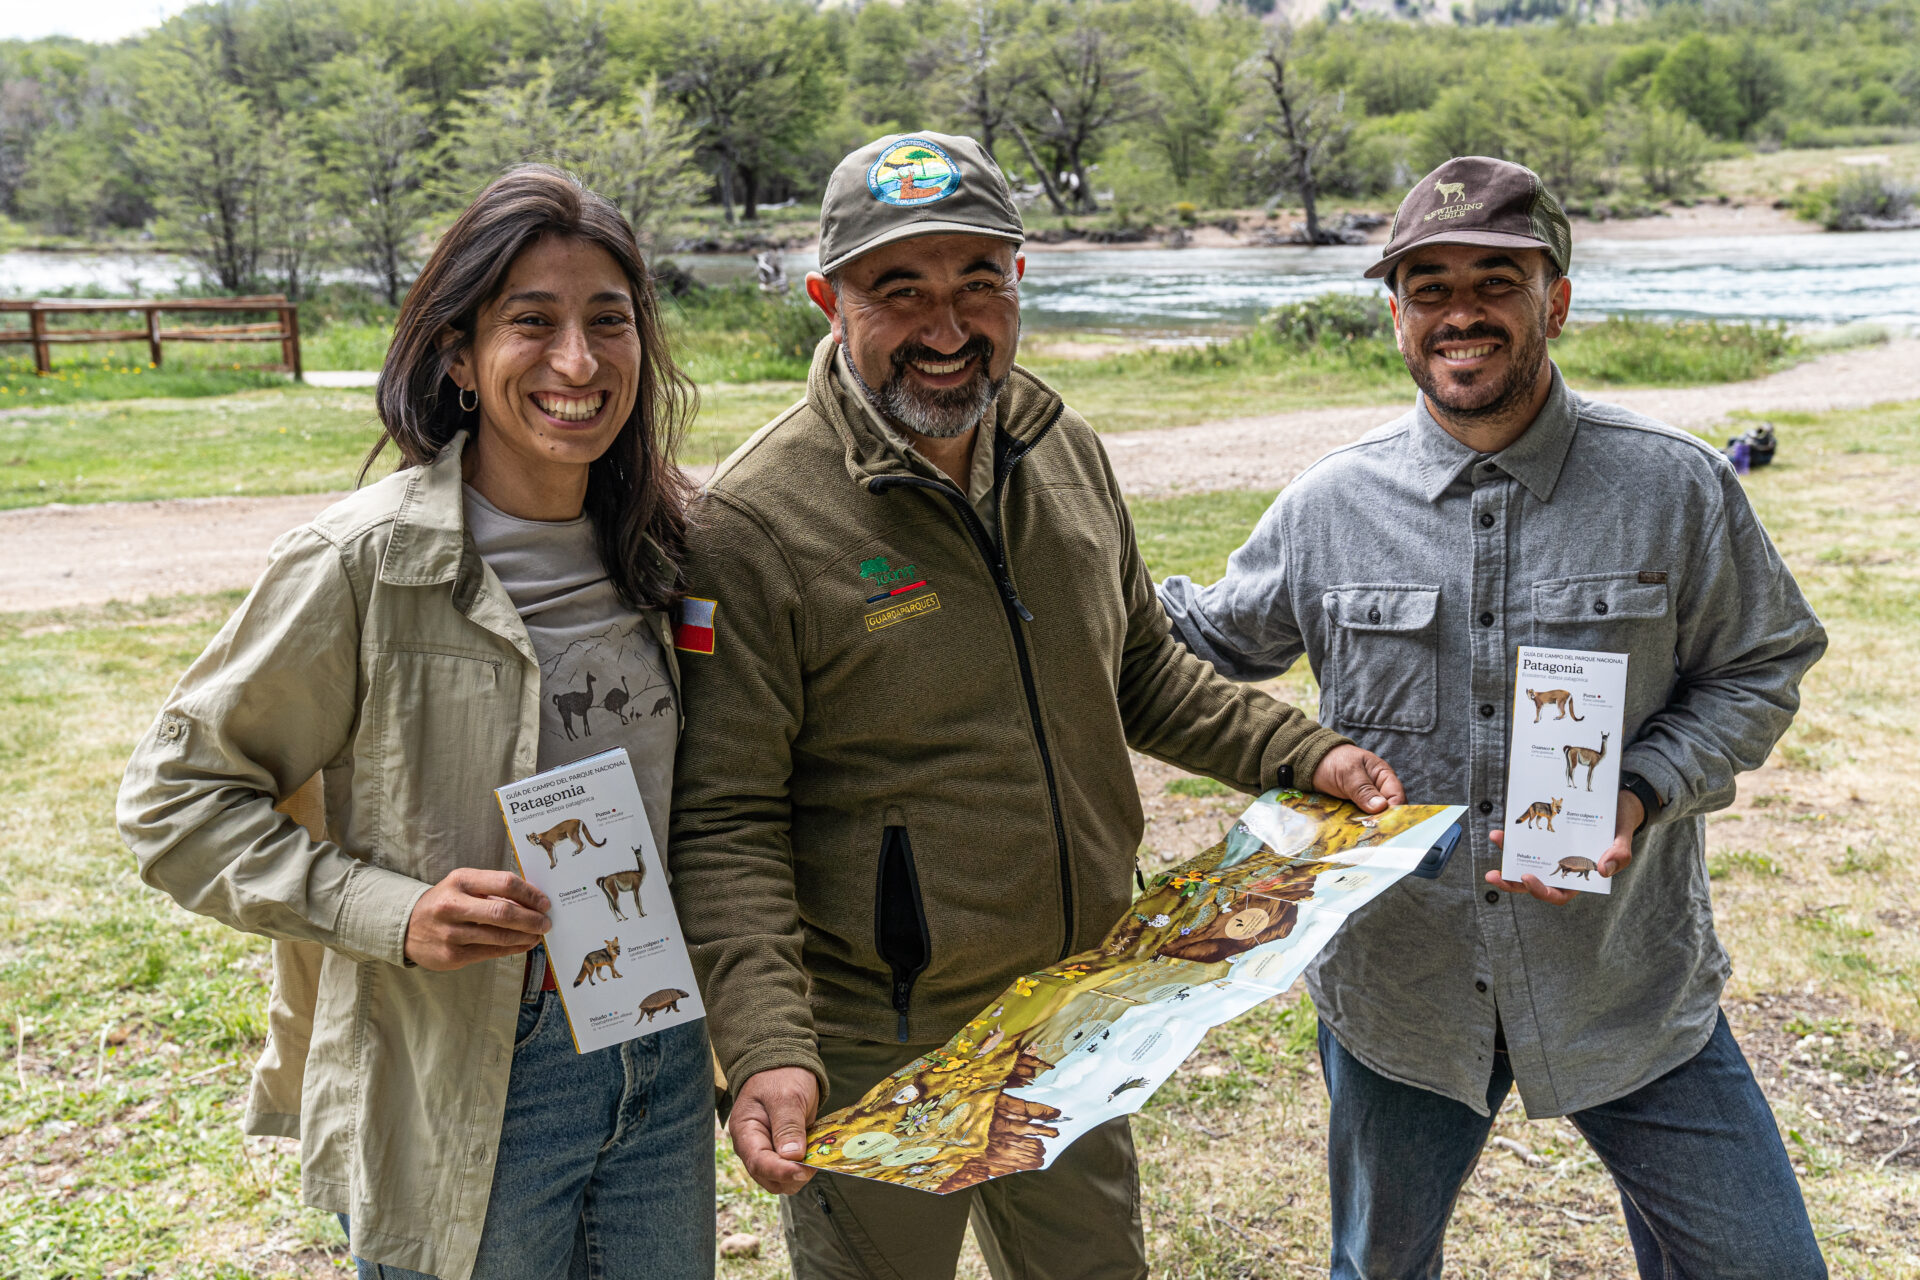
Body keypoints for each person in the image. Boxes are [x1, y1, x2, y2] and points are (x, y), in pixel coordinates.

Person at [667, 130, 1405, 1280]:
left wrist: (1305, 753)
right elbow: (723, 820)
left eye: (977, 280)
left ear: (1021, 281)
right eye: (897, 287)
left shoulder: (1062, 446)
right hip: (883, 1040)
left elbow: (1141, 667)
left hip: (1078, 1002)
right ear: (827, 298)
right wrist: (762, 1038)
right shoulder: (755, 524)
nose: (946, 325)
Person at [1158, 155, 1830, 1279]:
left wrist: (1643, 786)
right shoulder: (1329, 504)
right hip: (1402, 996)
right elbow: (1190, 648)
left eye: (1494, 279)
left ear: (1554, 297)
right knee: (1378, 1266)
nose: (1460, 311)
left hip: (1626, 983)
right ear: (1397, 315)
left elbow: (1765, 663)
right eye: (1428, 287)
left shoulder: (1673, 486)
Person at [116, 166, 715, 1280]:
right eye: (531, 322)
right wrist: (394, 909)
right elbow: (173, 799)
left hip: (657, 1042)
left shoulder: (676, 547)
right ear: (456, 354)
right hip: (462, 1057)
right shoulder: (359, 563)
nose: (578, 363)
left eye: (608, 321)